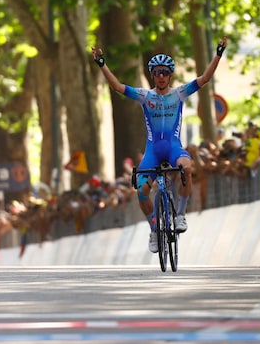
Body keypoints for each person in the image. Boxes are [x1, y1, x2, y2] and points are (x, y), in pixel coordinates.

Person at [91, 36, 228, 253]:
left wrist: (218, 54)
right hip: (153, 151)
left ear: (171, 75)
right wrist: (102, 65)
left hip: (173, 147)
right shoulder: (145, 96)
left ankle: (181, 215)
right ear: (152, 75)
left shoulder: (180, 93)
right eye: (157, 72)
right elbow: (117, 87)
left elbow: (205, 78)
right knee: (142, 192)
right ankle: (154, 229)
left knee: (187, 168)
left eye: (165, 72)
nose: (161, 76)